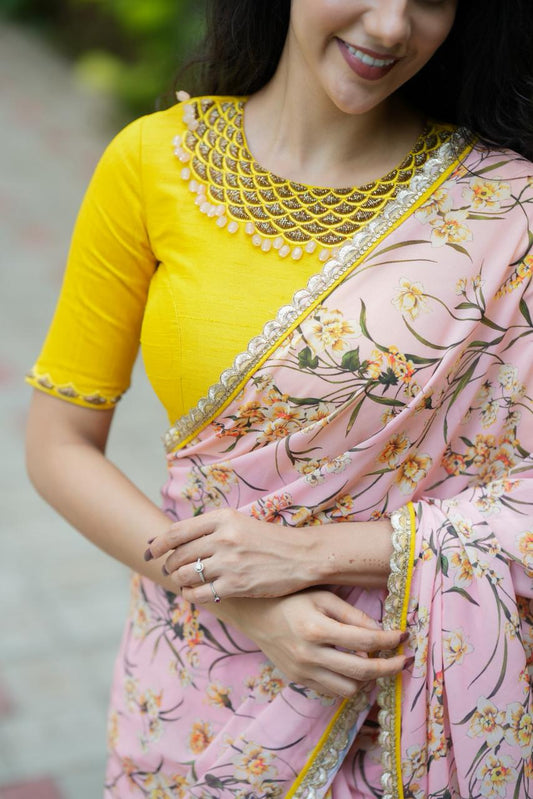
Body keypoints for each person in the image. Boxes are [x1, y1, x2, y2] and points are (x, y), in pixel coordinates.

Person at [25, 0, 533, 796]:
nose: (392, 27)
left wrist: (307, 555)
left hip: (410, 704)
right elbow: (57, 445)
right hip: (191, 691)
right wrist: (247, 606)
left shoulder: (506, 212)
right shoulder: (153, 163)